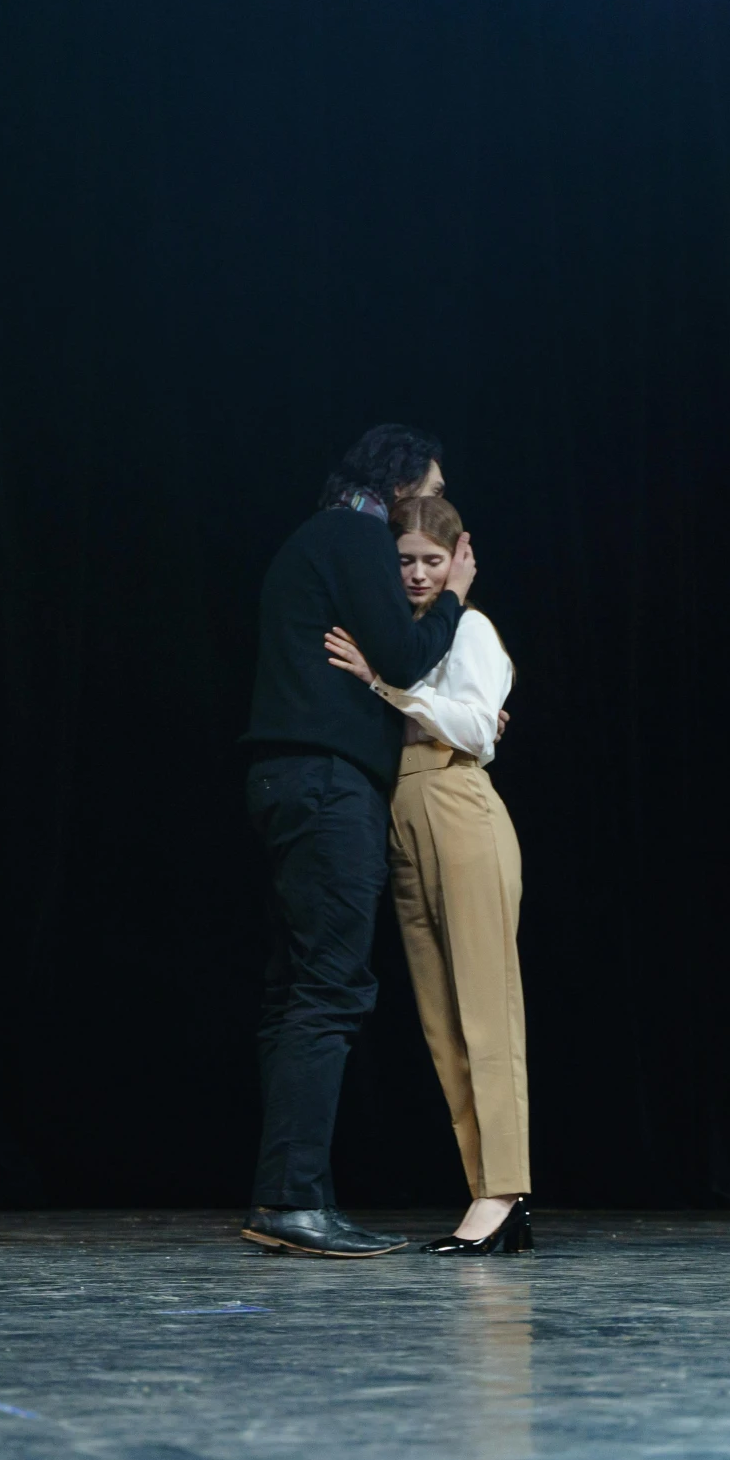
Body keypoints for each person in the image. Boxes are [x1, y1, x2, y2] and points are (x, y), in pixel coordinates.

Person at [238, 424, 477, 1257]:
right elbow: (408, 656)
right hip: (325, 787)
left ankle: (288, 1194)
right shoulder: (352, 536)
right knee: (329, 990)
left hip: (285, 781)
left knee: (296, 991)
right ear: (402, 481)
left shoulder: (318, 538)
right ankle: (293, 1201)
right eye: (433, 490)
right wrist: (455, 594)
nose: (437, 508)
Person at [323, 494, 530, 1255]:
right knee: (443, 1022)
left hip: (456, 801)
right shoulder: (395, 634)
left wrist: (386, 689)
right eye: (404, 560)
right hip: (399, 810)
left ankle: (504, 1192)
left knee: (485, 1008)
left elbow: (477, 726)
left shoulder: (467, 627)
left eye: (431, 561)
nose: (415, 574)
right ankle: (488, 1191)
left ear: (457, 561)